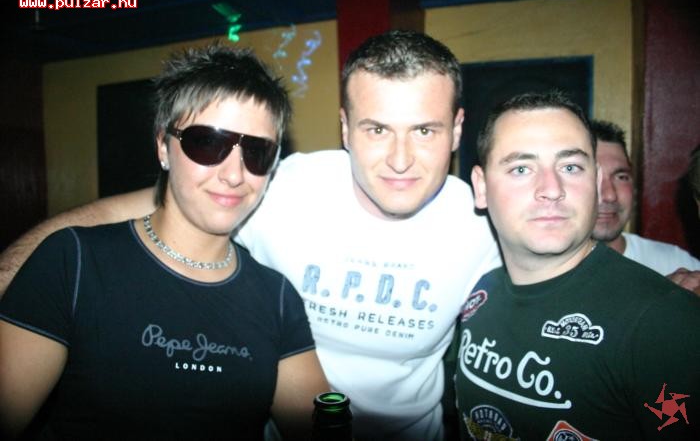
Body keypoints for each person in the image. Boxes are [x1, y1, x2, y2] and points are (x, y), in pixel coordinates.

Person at [0, 30, 502, 440]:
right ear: (345, 129)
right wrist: (16, 271)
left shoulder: (487, 222)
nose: (400, 159)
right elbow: (146, 207)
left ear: (457, 130)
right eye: (377, 129)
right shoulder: (282, 187)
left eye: (424, 130)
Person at [0, 43, 329, 440]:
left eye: (257, 152)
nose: (234, 174)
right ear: (163, 146)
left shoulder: (276, 296)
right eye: (208, 143)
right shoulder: (73, 262)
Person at [455, 91, 700, 440]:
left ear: (595, 182)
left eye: (570, 167)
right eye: (521, 169)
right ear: (481, 187)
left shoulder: (665, 323)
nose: (551, 189)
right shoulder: (478, 292)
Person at [590, 119, 700, 291]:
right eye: (593, 177)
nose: (610, 195)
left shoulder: (676, 263)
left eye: (621, 177)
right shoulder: (546, 273)